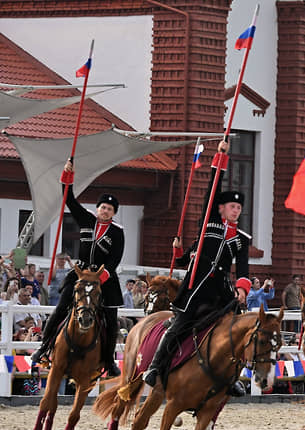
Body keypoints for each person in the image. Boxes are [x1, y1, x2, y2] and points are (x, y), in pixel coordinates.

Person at [144, 139, 251, 390]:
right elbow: (212, 190)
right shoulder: (209, 223)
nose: (235, 211)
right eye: (231, 206)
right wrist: (220, 159)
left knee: (239, 328)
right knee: (180, 324)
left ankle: (232, 378)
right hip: (197, 285)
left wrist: (243, 288)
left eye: (239, 208)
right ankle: (155, 367)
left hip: (222, 289)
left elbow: (243, 268)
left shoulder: (242, 239)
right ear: (221, 208)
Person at [31, 159, 124, 377]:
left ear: (113, 213)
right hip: (80, 273)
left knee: (111, 319)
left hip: (104, 278)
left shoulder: (117, 232)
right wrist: (67, 176)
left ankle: (109, 361)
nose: (105, 211)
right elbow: (68, 199)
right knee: (60, 308)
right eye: (102, 207)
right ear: (97, 208)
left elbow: (115, 258)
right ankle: (43, 348)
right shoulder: (85, 218)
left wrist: (102, 277)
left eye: (109, 209)